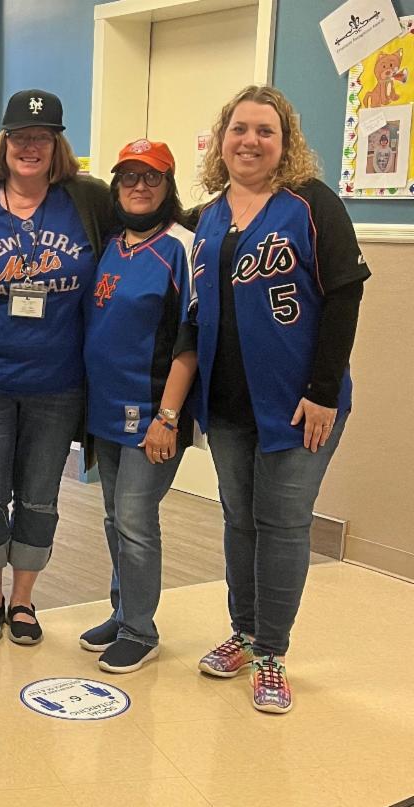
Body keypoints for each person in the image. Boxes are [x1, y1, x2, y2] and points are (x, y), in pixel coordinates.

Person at [188, 86, 369, 713]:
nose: (250, 141)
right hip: (227, 403)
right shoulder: (209, 215)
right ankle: (243, 632)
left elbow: (345, 295)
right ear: (222, 139)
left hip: (299, 405)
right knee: (240, 520)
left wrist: (323, 391)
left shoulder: (312, 203)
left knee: (284, 522)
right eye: (239, 129)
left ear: (284, 141)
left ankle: (271, 653)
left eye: (266, 131)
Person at [0, 89, 115, 645]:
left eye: (43, 137)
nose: (30, 146)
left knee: (40, 497)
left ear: (57, 145)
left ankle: (23, 599)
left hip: (58, 386)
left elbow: (143, 225)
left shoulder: (87, 200)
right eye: (20, 136)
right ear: (4, 142)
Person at [80, 139, 197, 673]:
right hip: (106, 410)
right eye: (129, 176)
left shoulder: (181, 247)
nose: (140, 186)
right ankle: (123, 611)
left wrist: (168, 418)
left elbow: (191, 340)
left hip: (153, 413)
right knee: (115, 518)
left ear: (168, 185)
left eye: (152, 177)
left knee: (134, 518)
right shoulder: (111, 243)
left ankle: (140, 631)